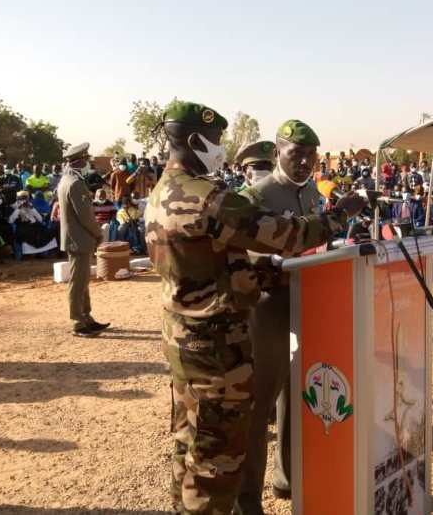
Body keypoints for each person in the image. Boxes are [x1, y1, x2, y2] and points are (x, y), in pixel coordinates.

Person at [144, 102, 364, 515]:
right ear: (194, 140)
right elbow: (283, 234)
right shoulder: (209, 198)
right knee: (218, 457)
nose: (220, 148)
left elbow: (215, 262)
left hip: (184, 336)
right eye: (214, 140)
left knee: (190, 446)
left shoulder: (162, 192)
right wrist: (337, 217)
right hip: (216, 343)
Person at [235, 122, 327, 513]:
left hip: (307, 298)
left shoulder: (312, 193)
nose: (304, 162)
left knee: (296, 395)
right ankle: (246, 499)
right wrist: (269, 258)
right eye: (296, 154)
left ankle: (288, 478)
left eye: (311, 155)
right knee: (259, 405)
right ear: (278, 152)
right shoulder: (255, 194)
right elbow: (239, 249)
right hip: (268, 304)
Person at [58, 143, 110, 336]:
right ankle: (78, 322)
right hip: (80, 239)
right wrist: (98, 233)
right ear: (79, 161)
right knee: (78, 282)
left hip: (76, 238)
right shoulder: (75, 183)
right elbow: (86, 216)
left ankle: (86, 317)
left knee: (82, 281)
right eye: (86, 160)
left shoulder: (67, 180)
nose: (88, 163)